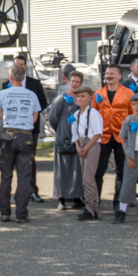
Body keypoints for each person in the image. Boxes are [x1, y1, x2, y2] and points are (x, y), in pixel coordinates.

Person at [0, 64, 41, 223]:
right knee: (24, 176)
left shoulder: (2, 94)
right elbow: (35, 118)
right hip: (26, 136)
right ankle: (21, 214)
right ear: (23, 77)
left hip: (8, 135)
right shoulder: (32, 95)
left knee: (6, 175)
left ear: (11, 77)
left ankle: (5, 212)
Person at [3, 54, 48, 202]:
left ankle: (31, 190)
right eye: (16, 64)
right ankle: (13, 194)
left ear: (26, 67)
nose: (19, 67)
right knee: (9, 164)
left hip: (30, 129)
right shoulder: (5, 86)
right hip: (11, 131)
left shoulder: (34, 84)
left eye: (21, 65)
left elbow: (43, 102)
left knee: (29, 161)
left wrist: (29, 115)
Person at [92, 64, 134, 210]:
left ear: (119, 76)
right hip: (103, 137)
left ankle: (119, 205)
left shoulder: (128, 93)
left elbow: (133, 115)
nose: (109, 76)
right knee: (98, 171)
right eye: (107, 73)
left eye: (112, 74)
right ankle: (94, 204)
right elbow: (93, 115)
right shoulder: (99, 93)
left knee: (121, 172)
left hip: (122, 138)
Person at [49, 71, 85, 210]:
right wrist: (61, 129)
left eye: (78, 82)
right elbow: (52, 117)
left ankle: (76, 197)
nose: (75, 84)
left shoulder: (82, 99)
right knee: (62, 168)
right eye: (73, 81)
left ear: (81, 84)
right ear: (68, 82)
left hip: (78, 139)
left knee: (77, 168)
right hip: (64, 138)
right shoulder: (61, 99)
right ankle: (61, 198)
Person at [71, 86, 103, 221]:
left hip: (92, 144)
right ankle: (93, 209)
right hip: (82, 144)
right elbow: (75, 134)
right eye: (78, 96)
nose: (80, 99)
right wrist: (78, 147)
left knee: (88, 178)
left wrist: (87, 147)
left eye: (83, 96)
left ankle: (91, 208)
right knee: (86, 178)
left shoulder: (94, 113)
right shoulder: (77, 114)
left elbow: (97, 133)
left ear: (90, 98)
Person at [113, 93, 138, 223]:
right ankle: (121, 211)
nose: (136, 107)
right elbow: (123, 138)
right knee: (128, 183)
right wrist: (128, 156)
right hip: (133, 154)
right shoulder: (130, 120)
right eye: (134, 104)